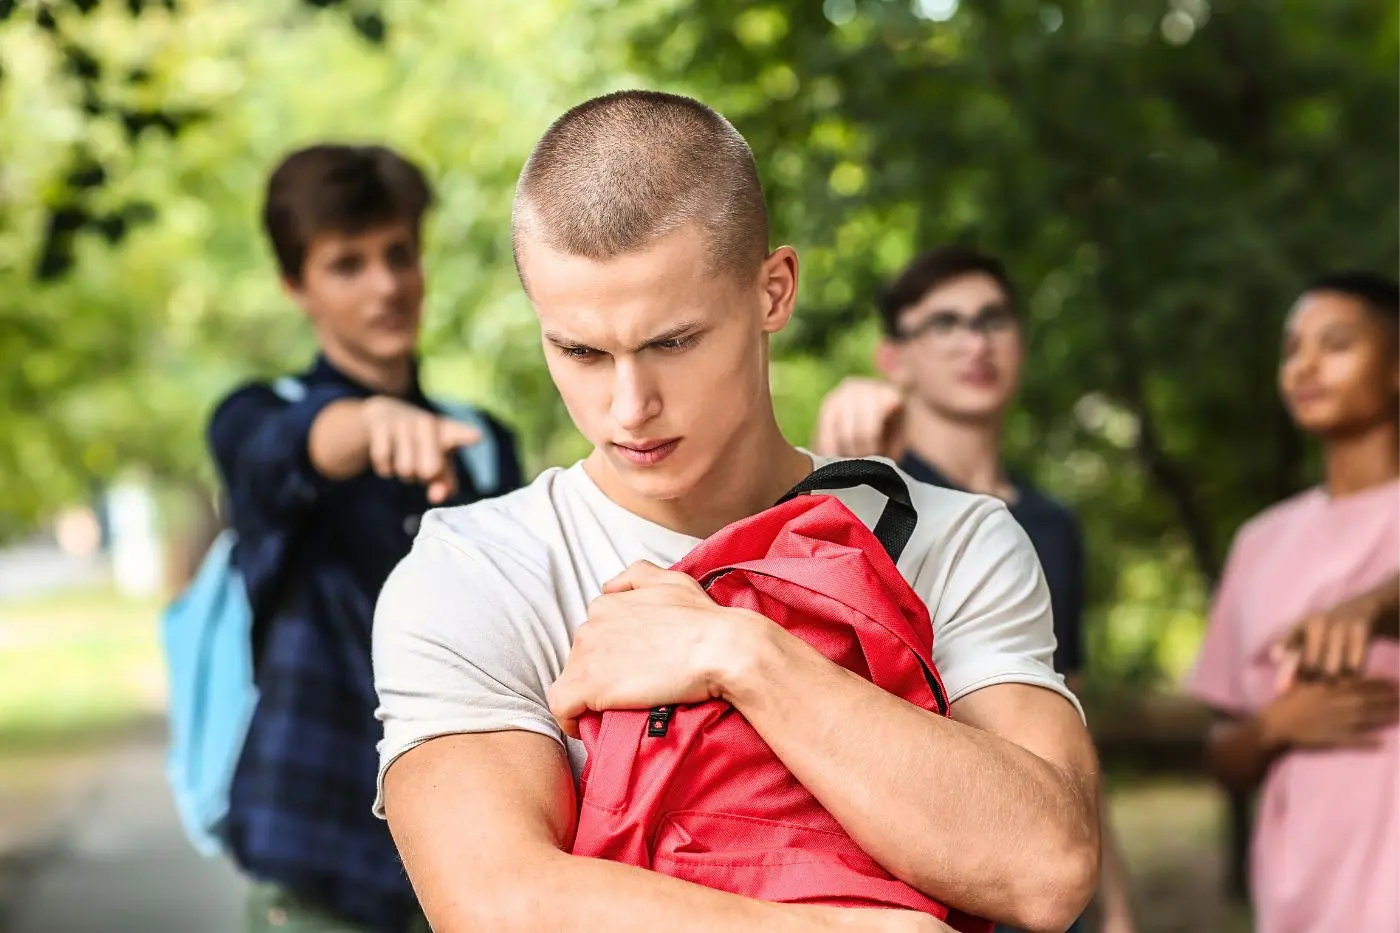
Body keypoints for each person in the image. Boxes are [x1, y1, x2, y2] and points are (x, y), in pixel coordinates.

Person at [372, 90, 1099, 933]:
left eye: (671, 342)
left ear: (773, 291)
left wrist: (739, 652)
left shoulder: (950, 540)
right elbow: (498, 903)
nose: (628, 406)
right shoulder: (475, 569)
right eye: (580, 350)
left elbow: (1047, 870)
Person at [207, 143, 522, 933]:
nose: (385, 285)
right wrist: (363, 423)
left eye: (399, 254)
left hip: (468, 863)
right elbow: (283, 450)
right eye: (347, 264)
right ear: (295, 285)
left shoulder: (482, 442)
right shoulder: (253, 416)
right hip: (320, 862)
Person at [810, 247, 1137, 933]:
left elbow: (1069, 728)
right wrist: (845, 449)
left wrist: (1117, 907)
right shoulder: (870, 494)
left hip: (1046, 873)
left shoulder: (1054, 525)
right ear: (894, 358)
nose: (975, 342)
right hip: (920, 882)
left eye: (993, 319)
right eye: (945, 323)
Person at [1186, 270, 1399, 933]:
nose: (1305, 366)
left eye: (1336, 344)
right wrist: (1274, 727)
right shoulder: (1260, 542)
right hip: (1297, 904)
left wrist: (1375, 604)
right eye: (1292, 349)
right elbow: (1221, 752)